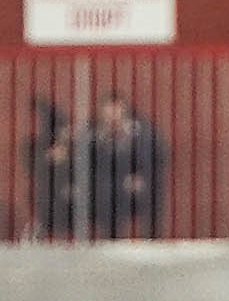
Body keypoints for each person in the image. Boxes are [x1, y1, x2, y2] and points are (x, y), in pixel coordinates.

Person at [79, 90, 167, 240]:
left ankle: (151, 241)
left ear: (124, 111)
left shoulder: (143, 132)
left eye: (116, 110)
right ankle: (109, 240)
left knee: (150, 192)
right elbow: (84, 161)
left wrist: (141, 176)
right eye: (108, 111)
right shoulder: (91, 133)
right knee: (105, 192)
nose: (112, 116)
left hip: (137, 181)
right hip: (104, 184)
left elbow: (157, 158)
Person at [24, 98, 79, 239]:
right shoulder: (36, 146)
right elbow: (31, 168)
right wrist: (48, 159)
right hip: (50, 193)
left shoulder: (77, 147)